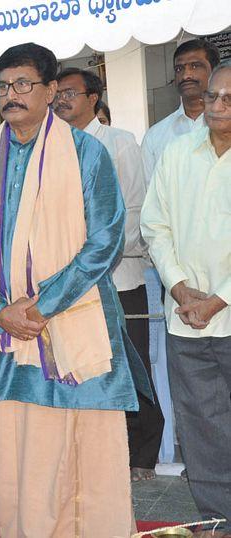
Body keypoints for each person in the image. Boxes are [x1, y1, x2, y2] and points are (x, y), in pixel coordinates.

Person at [0, 43, 150, 537]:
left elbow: (106, 239)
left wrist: (41, 306)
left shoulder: (87, 152)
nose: (10, 95)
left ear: (50, 91)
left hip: (78, 326)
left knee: (90, 447)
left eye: (23, 84)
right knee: (25, 450)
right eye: (2, 86)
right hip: (11, 336)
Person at [54, 67, 164, 482]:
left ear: (93, 98)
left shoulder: (120, 143)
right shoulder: (53, 147)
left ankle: (143, 454)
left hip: (119, 278)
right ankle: (98, 452)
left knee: (131, 368)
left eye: (70, 93)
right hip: (67, 286)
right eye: (57, 93)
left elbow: (134, 210)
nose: (61, 100)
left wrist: (102, 256)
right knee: (83, 369)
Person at [141, 60, 231, 537]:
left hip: (220, 312)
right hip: (187, 320)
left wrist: (218, 299)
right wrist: (177, 286)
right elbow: (154, 225)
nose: (216, 105)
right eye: (214, 96)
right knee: (202, 429)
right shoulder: (177, 152)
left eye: (228, 99)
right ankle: (219, 518)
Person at [142, 39, 221, 181]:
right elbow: (152, 196)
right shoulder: (155, 137)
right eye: (179, 69)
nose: (186, 75)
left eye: (195, 66)